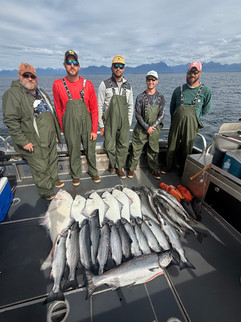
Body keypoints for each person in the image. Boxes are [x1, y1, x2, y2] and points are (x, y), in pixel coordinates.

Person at [2, 63, 63, 200]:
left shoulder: (41, 91)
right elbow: (11, 121)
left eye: (32, 76)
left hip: (49, 137)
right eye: (26, 75)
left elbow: (50, 111)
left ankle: (54, 180)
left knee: (52, 160)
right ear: (19, 75)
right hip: (33, 141)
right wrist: (23, 141)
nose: (30, 79)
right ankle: (46, 192)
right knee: (40, 167)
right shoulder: (12, 94)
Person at [53, 50, 100, 186]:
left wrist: (94, 129)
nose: (72, 65)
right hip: (69, 124)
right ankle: (75, 174)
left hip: (87, 123)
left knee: (90, 149)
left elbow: (94, 109)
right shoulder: (57, 84)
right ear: (64, 65)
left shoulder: (88, 84)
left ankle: (93, 171)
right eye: (69, 62)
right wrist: (64, 128)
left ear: (79, 66)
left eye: (75, 62)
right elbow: (59, 109)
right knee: (73, 149)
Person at [164, 61, 212, 174]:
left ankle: (182, 170)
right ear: (187, 72)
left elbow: (206, 109)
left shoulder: (206, 90)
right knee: (171, 145)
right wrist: (178, 118)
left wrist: (195, 118)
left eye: (195, 72)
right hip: (176, 123)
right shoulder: (178, 90)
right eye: (191, 71)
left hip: (192, 125)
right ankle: (168, 166)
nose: (192, 74)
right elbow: (172, 109)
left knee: (187, 147)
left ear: (200, 73)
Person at [98, 55, 134, 179]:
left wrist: (128, 122)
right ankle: (112, 163)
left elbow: (130, 106)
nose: (118, 68)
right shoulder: (104, 84)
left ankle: (119, 167)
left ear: (124, 68)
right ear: (112, 67)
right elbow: (99, 105)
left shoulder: (128, 86)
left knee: (123, 145)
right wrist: (101, 125)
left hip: (124, 121)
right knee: (109, 145)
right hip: (109, 121)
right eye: (116, 66)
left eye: (121, 66)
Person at [128, 71, 165, 179]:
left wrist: (152, 126)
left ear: (157, 81)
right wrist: (146, 127)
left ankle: (154, 169)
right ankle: (131, 168)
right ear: (146, 81)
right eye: (148, 79)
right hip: (141, 128)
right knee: (136, 148)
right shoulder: (140, 97)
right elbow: (138, 114)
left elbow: (162, 114)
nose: (150, 82)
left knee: (153, 150)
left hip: (154, 128)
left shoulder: (160, 97)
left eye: (153, 79)